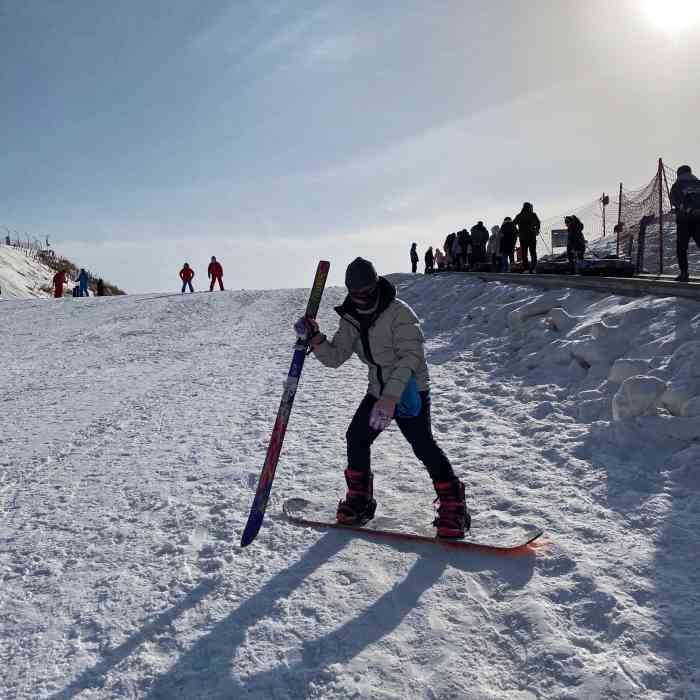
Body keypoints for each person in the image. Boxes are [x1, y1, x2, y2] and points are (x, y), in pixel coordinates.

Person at [296, 257, 469, 538]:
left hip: (408, 389)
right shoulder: (351, 317)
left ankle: (454, 505)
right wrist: (316, 339)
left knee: (422, 444)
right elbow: (336, 357)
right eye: (355, 294)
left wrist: (391, 398)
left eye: (366, 292)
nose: (362, 299)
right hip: (378, 391)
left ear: (376, 285)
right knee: (357, 437)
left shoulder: (400, 313)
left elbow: (411, 357)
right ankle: (359, 499)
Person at [670, 164, 700, 282]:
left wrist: (687, 209)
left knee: (681, 248)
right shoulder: (698, 183)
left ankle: (684, 273)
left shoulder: (678, 185)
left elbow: (674, 200)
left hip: (684, 220)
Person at [514, 202, 541, 272]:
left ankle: (526, 268)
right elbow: (538, 222)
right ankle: (533, 268)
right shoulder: (533, 215)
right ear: (529, 207)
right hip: (532, 236)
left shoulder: (519, 216)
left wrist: (517, 232)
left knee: (524, 254)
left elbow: (513, 224)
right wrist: (537, 230)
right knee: (533, 252)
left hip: (523, 237)